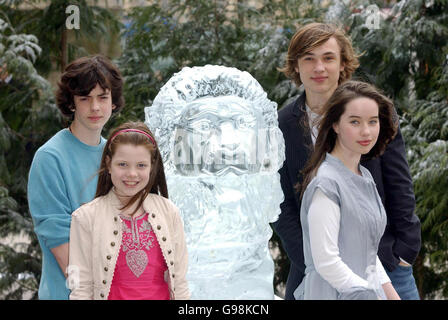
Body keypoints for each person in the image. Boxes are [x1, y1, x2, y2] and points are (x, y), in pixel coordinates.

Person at [273, 22, 421, 300]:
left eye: (328, 58)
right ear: (296, 66)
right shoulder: (280, 126)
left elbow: (399, 183)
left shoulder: (373, 111)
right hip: (315, 274)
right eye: (309, 58)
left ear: (342, 64)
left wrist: (404, 250)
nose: (319, 68)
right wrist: (313, 260)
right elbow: (279, 205)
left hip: (384, 266)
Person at [27, 55, 124, 299]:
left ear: (113, 102)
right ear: (71, 103)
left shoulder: (116, 156)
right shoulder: (50, 158)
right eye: (85, 98)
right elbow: (63, 248)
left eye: (103, 97)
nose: (95, 107)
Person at [295, 80, 400, 299]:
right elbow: (327, 262)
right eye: (354, 122)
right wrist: (370, 295)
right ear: (335, 125)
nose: (366, 131)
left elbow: (368, 253)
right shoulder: (326, 183)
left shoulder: (365, 176)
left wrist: (390, 295)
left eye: (373, 121)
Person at [68, 122, 190, 300]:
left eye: (141, 165)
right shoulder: (85, 217)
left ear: (152, 167)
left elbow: (179, 282)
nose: (132, 173)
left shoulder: (168, 212)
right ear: (109, 164)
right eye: (123, 164)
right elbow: (80, 287)